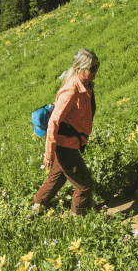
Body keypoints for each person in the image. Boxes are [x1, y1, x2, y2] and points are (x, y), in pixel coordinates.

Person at [33, 48, 99, 215]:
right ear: (79, 69)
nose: (95, 72)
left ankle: (35, 209)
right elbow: (54, 121)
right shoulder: (72, 90)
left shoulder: (86, 85)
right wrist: (49, 153)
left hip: (71, 142)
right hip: (64, 145)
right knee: (85, 186)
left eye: (97, 67)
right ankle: (80, 217)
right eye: (91, 69)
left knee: (57, 178)